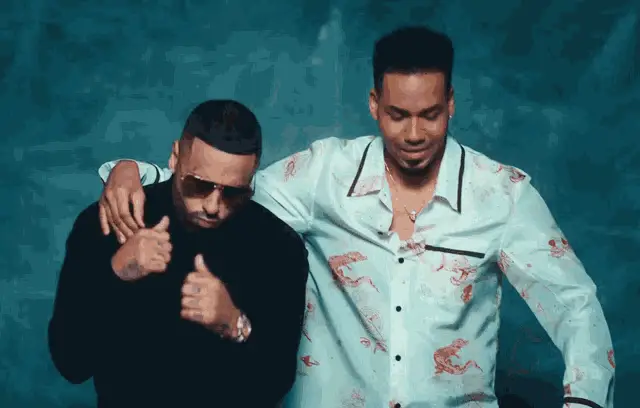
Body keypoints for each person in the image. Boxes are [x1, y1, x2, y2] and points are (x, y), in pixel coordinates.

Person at [94, 27, 615, 408]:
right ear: (373, 104)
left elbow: (574, 304)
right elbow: (222, 195)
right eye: (398, 115)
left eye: (430, 114)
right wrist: (133, 171)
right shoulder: (324, 174)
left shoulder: (503, 195)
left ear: (452, 104)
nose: (414, 134)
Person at [48, 99, 309, 408]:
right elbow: (71, 364)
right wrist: (114, 274)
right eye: (199, 185)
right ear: (174, 157)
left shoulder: (279, 247)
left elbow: (275, 386)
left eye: (233, 191)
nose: (213, 206)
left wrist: (234, 324)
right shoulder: (110, 221)